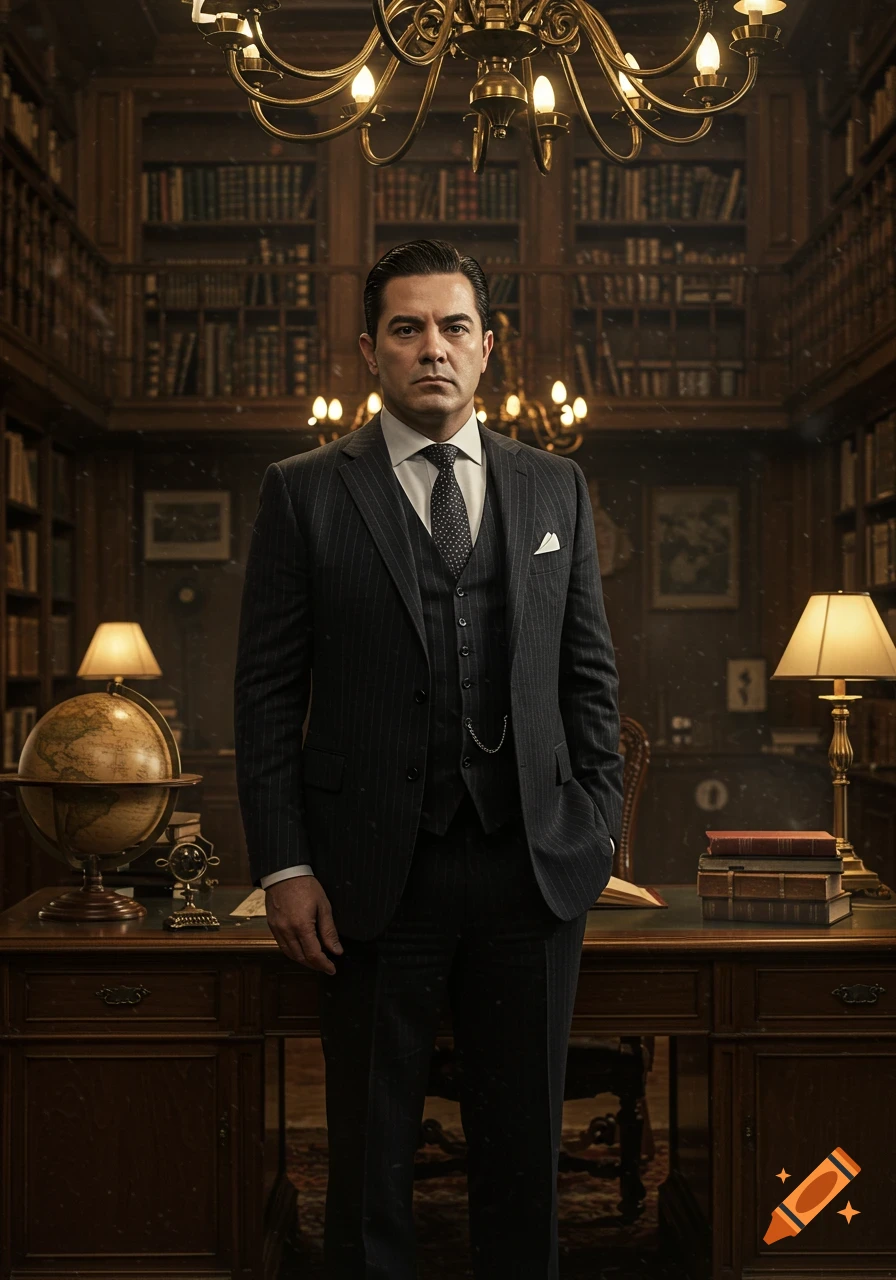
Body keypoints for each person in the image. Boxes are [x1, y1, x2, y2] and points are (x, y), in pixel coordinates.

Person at [233, 238, 623, 1279]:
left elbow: (589, 678)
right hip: (368, 873)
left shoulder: (556, 489)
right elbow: (266, 693)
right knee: (367, 1165)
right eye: (406, 328)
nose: (431, 348)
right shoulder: (303, 490)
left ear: (488, 347)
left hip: (527, 867)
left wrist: (595, 824)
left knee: (522, 1154)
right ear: (370, 349)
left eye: (453, 327)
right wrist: (283, 865)